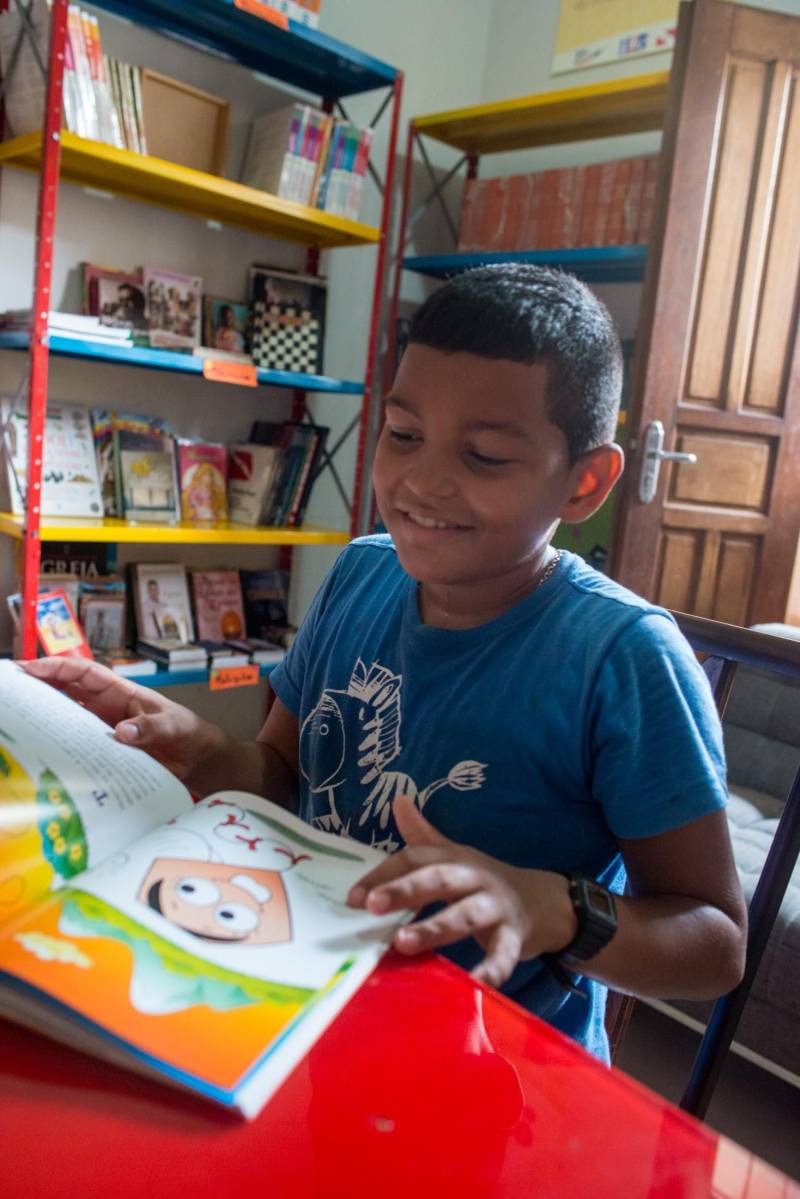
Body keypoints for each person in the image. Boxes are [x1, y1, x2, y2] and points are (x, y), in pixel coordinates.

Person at [25, 265, 746, 1062]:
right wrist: (201, 745)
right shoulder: (362, 573)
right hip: (304, 1008)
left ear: (586, 481)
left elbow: (716, 944)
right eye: (403, 435)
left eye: (484, 456)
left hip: (501, 1069)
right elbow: (280, 774)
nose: (422, 482)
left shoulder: (624, 658)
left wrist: (553, 905)